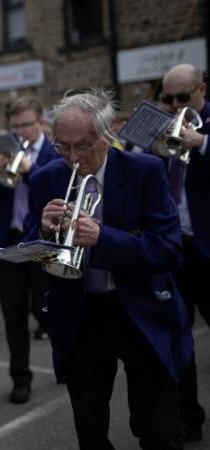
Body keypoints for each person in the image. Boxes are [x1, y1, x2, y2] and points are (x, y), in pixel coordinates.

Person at [27, 88, 192, 449]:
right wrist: (42, 231)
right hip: (81, 312)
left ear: (107, 136)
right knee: (90, 429)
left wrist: (104, 238)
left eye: (82, 146)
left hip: (139, 309)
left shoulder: (144, 170)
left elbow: (169, 250)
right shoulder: (45, 178)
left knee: (157, 429)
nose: (72, 157)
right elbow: (31, 250)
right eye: (62, 146)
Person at [0, 96, 60, 403]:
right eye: (15, 126)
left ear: (41, 123)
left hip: (41, 241)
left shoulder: (54, 152)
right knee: (13, 317)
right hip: (9, 242)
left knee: (47, 309)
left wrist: (31, 169)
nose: (20, 131)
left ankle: (64, 361)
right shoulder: (5, 151)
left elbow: (58, 190)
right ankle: (20, 378)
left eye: (26, 125)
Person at [159, 63, 209, 443]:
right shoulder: (165, 124)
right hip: (176, 248)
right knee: (178, 336)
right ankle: (189, 418)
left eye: (182, 97)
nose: (175, 105)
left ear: (201, 91)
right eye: (168, 98)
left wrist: (202, 142)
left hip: (207, 246)